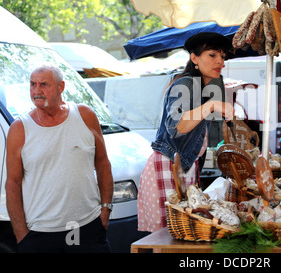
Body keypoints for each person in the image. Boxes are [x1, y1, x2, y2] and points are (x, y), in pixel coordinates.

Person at [5, 64, 113, 253]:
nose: (37, 91)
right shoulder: (20, 128)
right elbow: (12, 183)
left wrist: (106, 210)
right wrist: (22, 234)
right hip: (40, 233)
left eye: (44, 85)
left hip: (88, 226)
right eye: (33, 84)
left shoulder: (85, 116)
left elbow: (103, 163)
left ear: (61, 87)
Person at [137, 32, 234, 233]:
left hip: (183, 168)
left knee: (178, 234)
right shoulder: (185, 83)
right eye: (212, 55)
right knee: (168, 237)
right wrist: (213, 105)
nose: (220, 61)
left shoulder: (201, 88)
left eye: (222, 56)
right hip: (167, 167)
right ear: (194, 58)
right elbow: (177, 126)